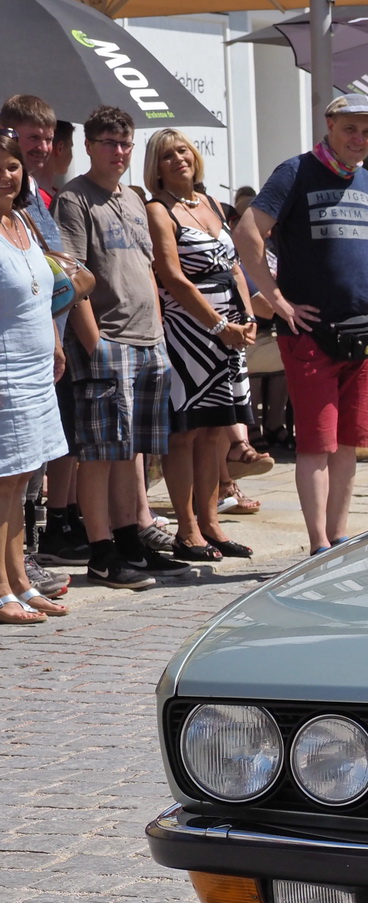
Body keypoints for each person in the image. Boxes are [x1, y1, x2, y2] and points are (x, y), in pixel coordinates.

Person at [234, 93, 368, 556]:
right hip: (310, 334)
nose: (360, 139)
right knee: (316, 444)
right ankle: (318, 543)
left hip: (361, 334)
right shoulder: (296, 171)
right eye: (351, 128)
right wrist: (276, 298)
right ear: (329, 124)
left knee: (349, 444)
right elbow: (247, 232)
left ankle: (339, 538)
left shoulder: (364, 180)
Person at [55, 106, 187, 588]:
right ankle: (101, 550)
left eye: (126, 143)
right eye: (109, 143)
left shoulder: (133, 199)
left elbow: (149, 273)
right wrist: (95, 345)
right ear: (90, 146)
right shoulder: (75, 198)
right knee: (100, 453)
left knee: (135, 453)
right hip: (107, 340)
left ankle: (132, 540)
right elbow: (72, 277)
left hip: (148, 339)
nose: (119, 152)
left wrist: (160, 336)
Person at [144, 129, 260, 563]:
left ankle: (211, 521)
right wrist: (217, 327)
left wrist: (247, 318)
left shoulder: (211, 204)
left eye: (183, 151)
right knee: (188, 432)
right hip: (189, 331)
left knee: (215, 432)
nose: (178, 159)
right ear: (156, 167)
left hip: (231, 329)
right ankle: (187, 528)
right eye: (167, 155)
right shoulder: (159, 210)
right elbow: (172, 277)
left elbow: (234, 266)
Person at [3, 95, 84, 588]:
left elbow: (43, 289)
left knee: (25, 480)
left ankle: (21, 577)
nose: (10, 173)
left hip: (38, 363)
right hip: (6, 369)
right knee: (7, 481)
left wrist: (56, 342)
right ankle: (6, 584)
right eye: (26, 141)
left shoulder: (28, 215)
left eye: (14, 166)